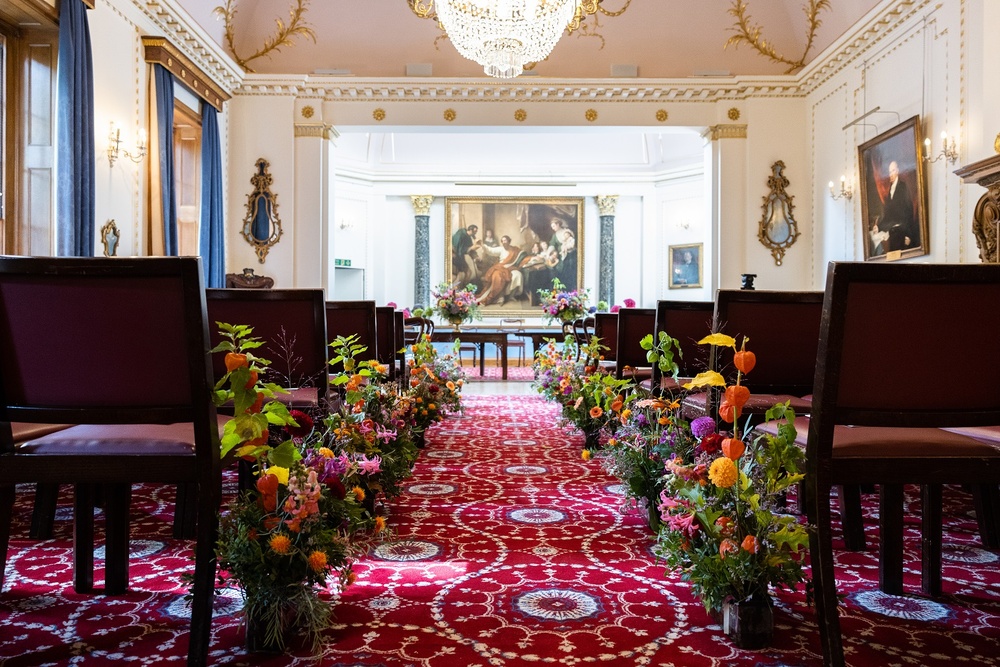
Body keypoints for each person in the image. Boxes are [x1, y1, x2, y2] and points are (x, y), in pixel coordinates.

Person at [875, 160, 917, 252]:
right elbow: (888, 216)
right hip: (892, 232)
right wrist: (879, 227)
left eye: (893, 171)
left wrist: (908, 235)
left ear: (897, 171)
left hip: (902, 231)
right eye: (889, 172)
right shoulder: (889, 191)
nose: (891, 174)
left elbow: (908, 211)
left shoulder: (903, 187)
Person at [477, 235, 522, 306]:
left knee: (518, 274)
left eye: (505, 240)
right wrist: (482, 245)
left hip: (510, 267)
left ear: (509, 241)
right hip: (501, 266)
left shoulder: (515, 250)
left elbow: (523, 255)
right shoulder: (501, 249)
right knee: (496, 275)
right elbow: (490, 250)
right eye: (502, 241)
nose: (504, 242)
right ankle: (498, 297)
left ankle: (511, 296)